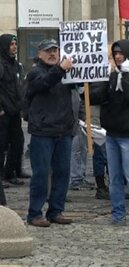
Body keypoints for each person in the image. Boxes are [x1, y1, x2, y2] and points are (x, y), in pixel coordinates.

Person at [89, 39, 129, 226]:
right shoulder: (113, 75)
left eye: (121, 53)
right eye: (115, 53)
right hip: (112, 131)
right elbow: (102, 96)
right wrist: (86, 90)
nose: (118, 56)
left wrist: (126, 77)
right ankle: (118, 213)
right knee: (114, 176)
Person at [26, 38, 74, 227]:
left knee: (62, 173)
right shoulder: (35, 72)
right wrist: (61, 69)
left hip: (63, 129)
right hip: (43, 131)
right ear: (39, 54)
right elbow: (44, 83)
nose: (52, 54)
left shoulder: (64, 73)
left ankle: (56, 210)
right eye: (48, 51)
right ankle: (34, 213)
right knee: (41, 174)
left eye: (55, 50)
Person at [0, 34, 26, 190]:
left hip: (15, 110)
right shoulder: (1, 64)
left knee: (18, 142)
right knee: (1, 145)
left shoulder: (16, 65)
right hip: (3, 112)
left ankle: (11, 172)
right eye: (11, 44)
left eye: (16, 43)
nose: (14, 46)